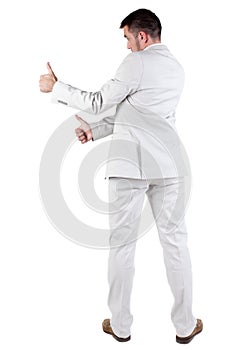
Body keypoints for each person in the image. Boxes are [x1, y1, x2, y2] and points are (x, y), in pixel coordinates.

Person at [39, 8, 203, 344]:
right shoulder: (177, 69)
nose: (126, 46)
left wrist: (57, 88)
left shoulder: (136, 63)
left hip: (130, 167)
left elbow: (100, 101)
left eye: (127, 38)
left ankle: (122, 327)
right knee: (176, 243)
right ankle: (185, 326)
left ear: (142, 36)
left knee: (122, 246)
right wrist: (96, 132)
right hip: (170, 167)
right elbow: (142, 114)